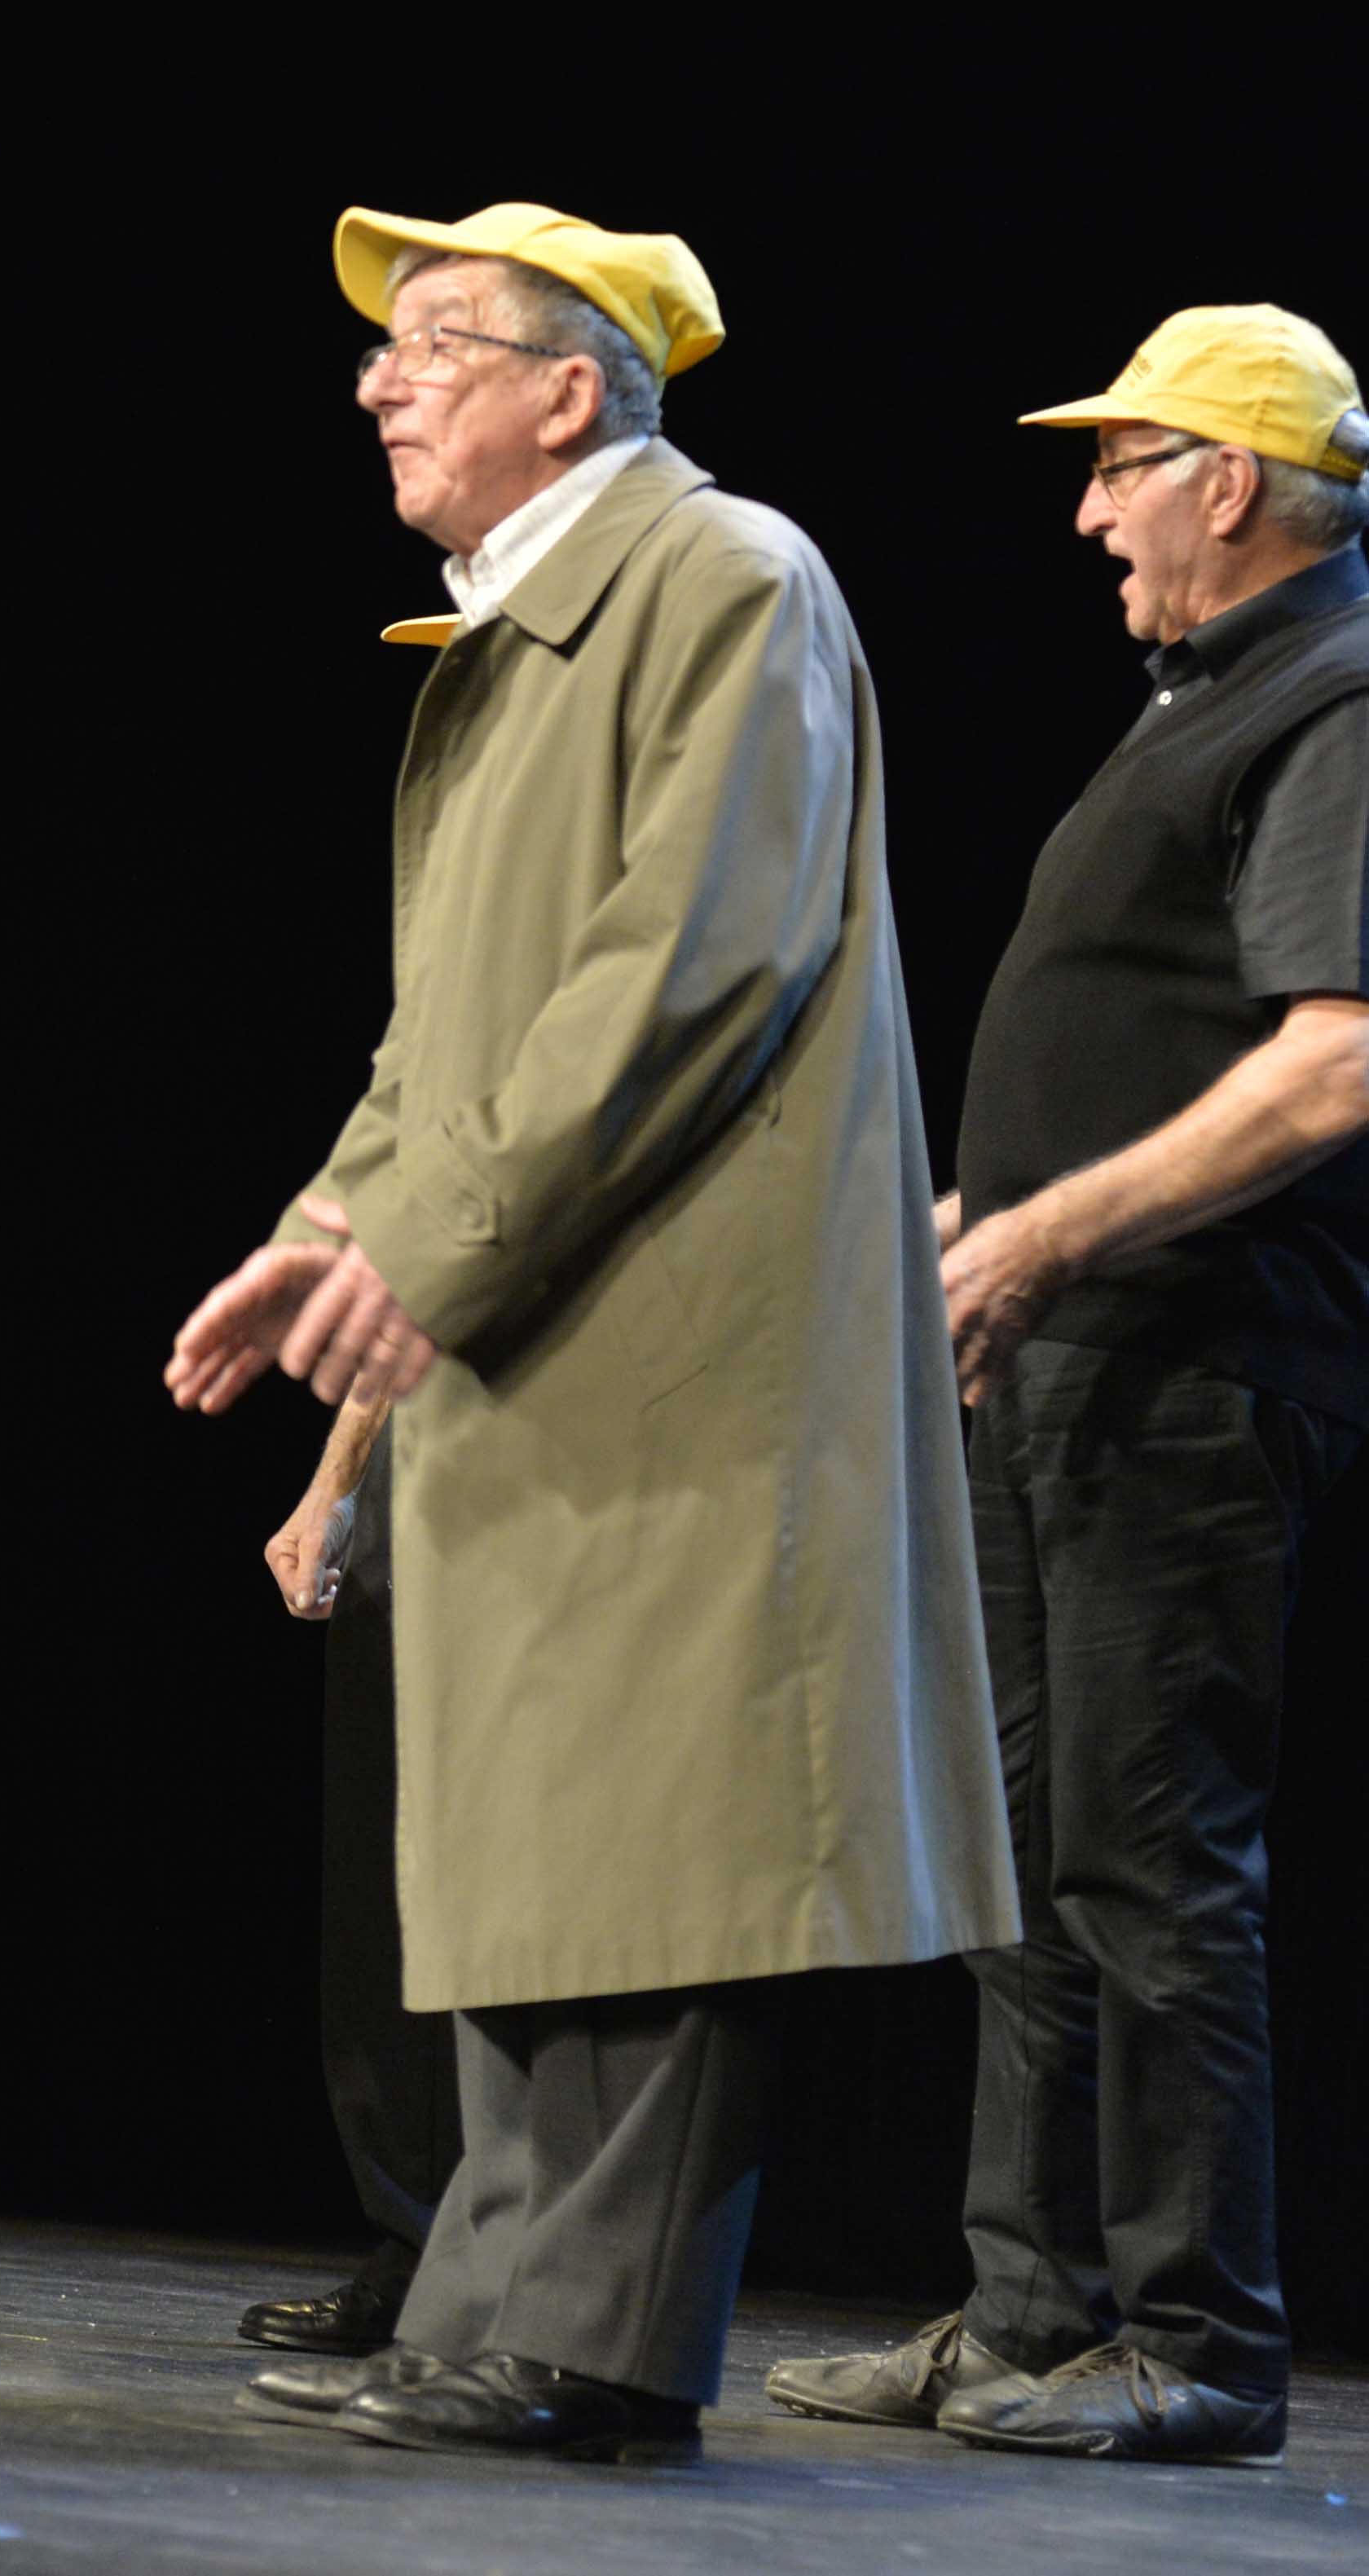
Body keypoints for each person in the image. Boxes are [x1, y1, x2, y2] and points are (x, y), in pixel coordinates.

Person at [164, 203, 1017, 2463]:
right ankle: (492, 2301)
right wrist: (324, 1226)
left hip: (670, 1326)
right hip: (541, 1314)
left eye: (433, 341)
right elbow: (443, 1030)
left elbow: (685, 966)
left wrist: (432, 1241)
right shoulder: (514, 635)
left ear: (571, 389)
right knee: (535, 1827)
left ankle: (593, 2342)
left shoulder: (720, 576)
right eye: (382, 346)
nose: (377, 378)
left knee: (652, 1839)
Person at [768, 306, 1369, 2469]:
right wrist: (971, 1231)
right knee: (1017, 1859)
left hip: (1186, 1371)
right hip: (1067, 1358)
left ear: (1227, 479)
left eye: (1117, 466)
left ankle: (1200, 2340)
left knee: (1147, 1862)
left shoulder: (1335, 693)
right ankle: (1028, 2309)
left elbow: (1333, 1060)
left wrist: (1037, 1236)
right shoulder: (1202, 699)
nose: (1088, 512)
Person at [233, 1392, 461, 2357]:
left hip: (577, 1432)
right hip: (429, 1426)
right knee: (388, 1877)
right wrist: (339, 1480)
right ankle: (423, 2252)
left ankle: (541, 2274)